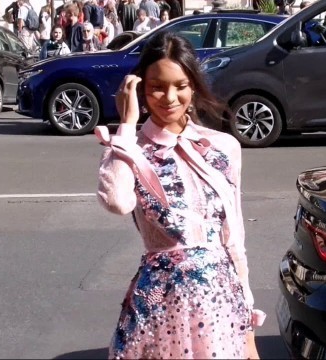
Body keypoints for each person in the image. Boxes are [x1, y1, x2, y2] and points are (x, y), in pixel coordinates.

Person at [95, 31, 266, 359]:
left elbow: (233, 238)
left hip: (219, 303)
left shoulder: (222, 147)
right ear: (140, 89)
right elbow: (117, 201)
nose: (169, 97)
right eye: (156, 86)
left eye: (180, 86)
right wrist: (127, 125)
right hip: (161, 304)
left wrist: (247, 325)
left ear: (194, 87)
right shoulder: (131, 148)